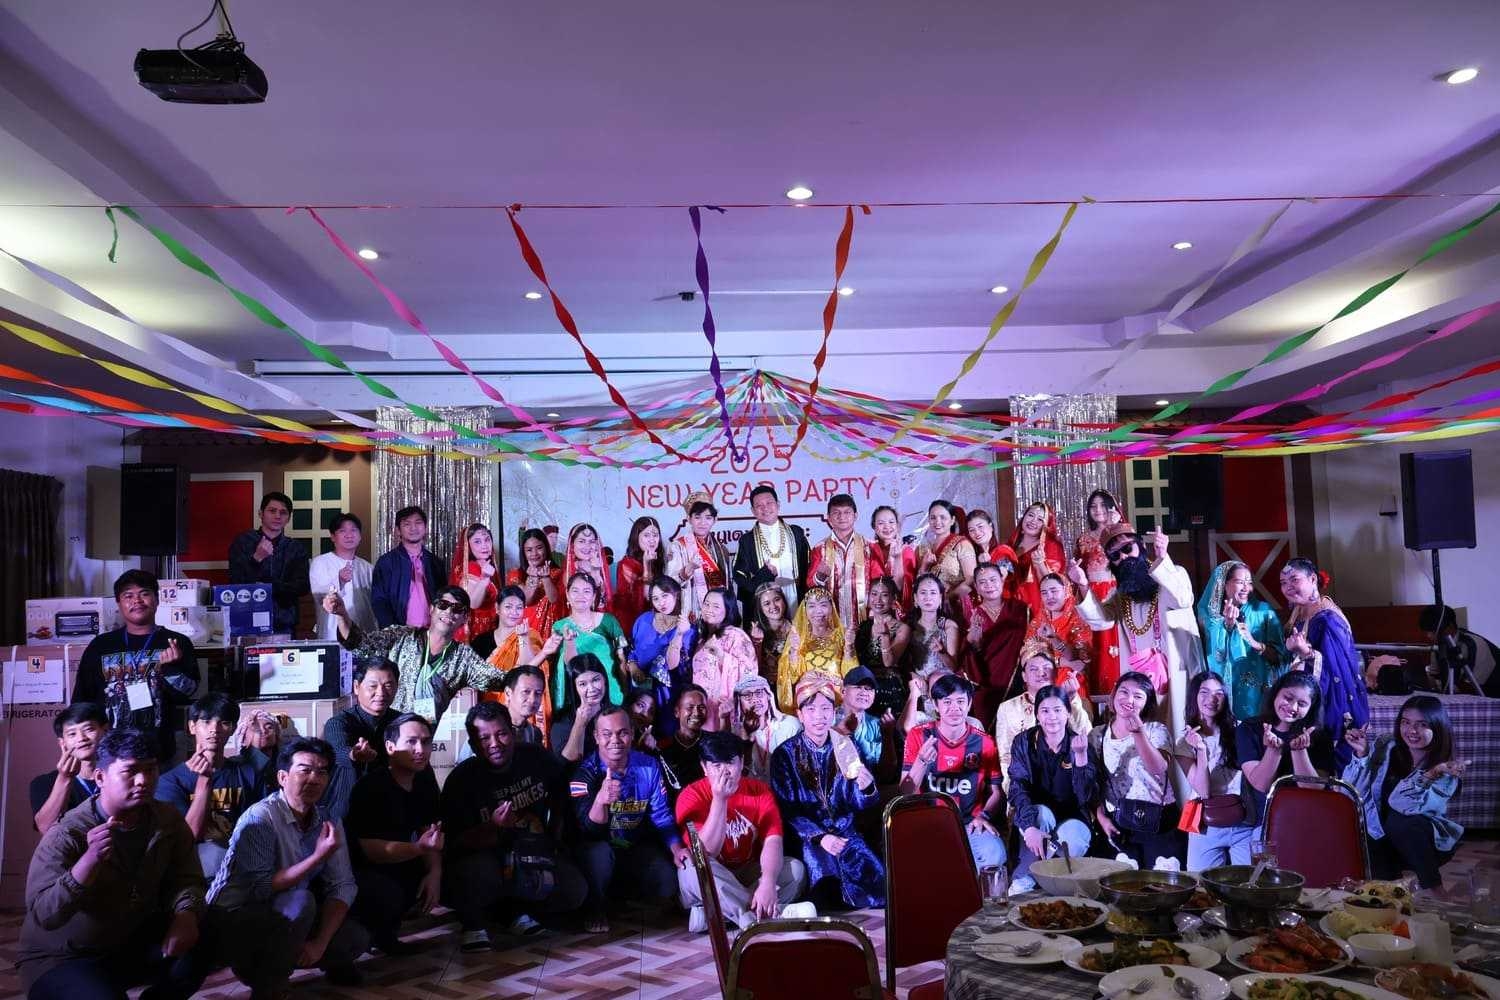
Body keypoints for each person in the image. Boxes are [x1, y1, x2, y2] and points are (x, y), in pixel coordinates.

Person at [18, 728, 206, 1000]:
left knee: (209, 930)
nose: (143, 781)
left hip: (124, 944)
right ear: (100, 777)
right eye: (130, 771)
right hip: (62, 957)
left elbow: (186, 879)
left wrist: (186, 914)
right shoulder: (68, 833)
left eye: (150, 770)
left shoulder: (167, 820)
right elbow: (44, 915)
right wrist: (88, 862)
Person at [204, 737, 367, 991]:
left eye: (322, 772)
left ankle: (285, 963)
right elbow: (261, 888)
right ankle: (268, 985)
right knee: (301, 902)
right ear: (282, 777)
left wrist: (320, 943)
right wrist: (317, 857)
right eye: (305, 770)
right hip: (233, 915)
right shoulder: (261, 817)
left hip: (283, 912)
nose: (314, 779)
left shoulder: (328, 820)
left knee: (354, 937)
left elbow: (343, 884)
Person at [441, 702, 587, 950]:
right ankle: (476, 920)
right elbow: (455, 844)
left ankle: (515, 911)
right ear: (473, 744)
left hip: (531, 852)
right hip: (483, 858)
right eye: (484, 738)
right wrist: (493, 827)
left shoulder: (536, 757)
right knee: (480, 873)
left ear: (513, 732)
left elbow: (562, 798)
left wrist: (556, 840)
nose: (494, 744)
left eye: (501, 734)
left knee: (574, 891)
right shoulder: (461, 780)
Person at [1068, 523, 1203, 778]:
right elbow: (1100, 620)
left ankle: (1188, 799)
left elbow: (1183, 598)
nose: (1123, 558)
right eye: (1115, 556)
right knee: (1148, 740)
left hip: (1178, 678)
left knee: (1181, 738)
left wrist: (1162, 557)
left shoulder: (1172, 574)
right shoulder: (1122, 595)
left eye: (1127, 549)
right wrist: (1083, 584)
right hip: (1142, 686)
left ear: (1141, 546)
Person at [677, 731, 812, 932]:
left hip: (747, 870)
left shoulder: (759, 790)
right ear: (704, 768)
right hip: (713, 871)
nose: (724, 772)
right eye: (716, 766)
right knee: (693, 868)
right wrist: (720, 799)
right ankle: (756, 919)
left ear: (741, 763)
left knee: (795, 870)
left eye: (730, 763)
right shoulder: (691, 795)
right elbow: (707, 852)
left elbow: (773, 840)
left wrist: (767, 882)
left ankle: (713, 916)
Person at [570, 707, 689, 934]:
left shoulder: (648, 765)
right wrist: (601, 800)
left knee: (666, 882)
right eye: (607, 734)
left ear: (632, 733)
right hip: (597, 851)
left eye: (622, 732)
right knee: (598, 854)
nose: (615, 740)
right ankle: (595, 906)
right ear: (596, 737)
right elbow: (588, 830)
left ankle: (622, 898)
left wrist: (676, 849)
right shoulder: (585, 772)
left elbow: (661, 815)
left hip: (633, 847)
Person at [769, 675, 884, 909]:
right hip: (808, 838)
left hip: (846, 833)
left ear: (833, 712)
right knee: (825, 888)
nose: (819, 716)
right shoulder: (785, 754)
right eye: (811, 709)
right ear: (800, 715)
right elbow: (788, 810)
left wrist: (866, 788)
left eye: (825, 709)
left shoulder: (845, 745)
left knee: (880, 884)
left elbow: (857, 802)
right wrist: (821, 837)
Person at [327, 584, 506, 732]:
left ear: (465, 618)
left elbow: (499, 680)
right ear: (432, 609)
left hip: (421, 739)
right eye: (443, 605)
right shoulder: (401, 635)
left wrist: (520, 645)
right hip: (385, 732)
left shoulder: (464, 658)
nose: (449, 612)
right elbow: (361, 645)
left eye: (457, 609)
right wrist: (342, 614)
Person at [72, 569, 199, 763]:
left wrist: (169, 670)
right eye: (128, 596)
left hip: (158, 751)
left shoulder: (176, 642)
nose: (137, 601)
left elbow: (188, 693)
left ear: (157, 600)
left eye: (144, 594)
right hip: (107, 752)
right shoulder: (101, 645)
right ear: (119, 603)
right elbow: (82, 699)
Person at [344, 713, 443, 955]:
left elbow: (429, 831)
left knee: (434, 870)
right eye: (411, 742)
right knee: (387, 889)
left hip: (401, 858)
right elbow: (370, 850)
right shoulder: (371, 787)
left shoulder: (424, 780)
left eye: (426, 742)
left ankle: (386, 932)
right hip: (360, 870)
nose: (420, 750)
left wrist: (435, 872)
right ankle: (366, 933)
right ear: (390, 747)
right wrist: (418, 849)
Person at [1342, 695, 1465, 888]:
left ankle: (1434, 887)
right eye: (1406, 722)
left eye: (1422, 724)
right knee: (1365, 829)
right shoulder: (1387, 747)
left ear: (1438, 727)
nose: (1412, 731)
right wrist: (1362, 754)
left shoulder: (1445, 771)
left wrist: (1431, 774)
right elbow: (1350, 792)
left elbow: (1401, 804)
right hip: (1379, 837)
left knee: (1399, 822)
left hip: (1420, 842)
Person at [900, 674, 1007, 870]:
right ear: (935, 705)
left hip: (969, 823)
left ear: (969, 703)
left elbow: (996, 792)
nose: (954, 708)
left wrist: (984, 816)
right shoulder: (918, 735)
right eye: (947, 702)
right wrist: (921, 762)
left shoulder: (985, 742)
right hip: (926, 822)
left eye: (960, 701)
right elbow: (905, 792)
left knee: (995, 855)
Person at [156, 694, 269, 877]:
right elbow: (188, 838)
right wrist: (205, 780)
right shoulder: (169, 782)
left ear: (233, 729)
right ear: (192, 726)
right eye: (206, 721)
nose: (214, 729)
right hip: (192, 869)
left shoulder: (248, 774)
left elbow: (263, 827)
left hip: (244, 862)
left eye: (223, 723)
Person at [1007, 684, 1098, 894]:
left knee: (1072, 839)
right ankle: (1025, 878)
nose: (1052, 717)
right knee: (1042, 815)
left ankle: (1055, 882)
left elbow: (1085, 797)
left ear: (1068, 713)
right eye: (1045, 711)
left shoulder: (1080, 743)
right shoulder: (1023, 742)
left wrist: (1081, 758)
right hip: (1037, 814)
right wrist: (1029, 826)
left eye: (1058, 710)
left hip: (1073, 816)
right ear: (1037, 714)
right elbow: (1018, 786)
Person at [1280, 558, 1371, 766]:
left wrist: (1305, 652)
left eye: (1294, 579)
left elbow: (1336, 669)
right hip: (1302, 696)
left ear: (1313, 579)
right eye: (1283, 582)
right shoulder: (1300, 611)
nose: (1288, 587)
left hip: (1329, 699)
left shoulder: (1328, 618)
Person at [1089, 671, 1184, 869]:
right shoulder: (1097, 735)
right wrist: (1101, 817)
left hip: (1158, 821)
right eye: (1124, 692)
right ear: (1114, 695)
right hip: (1119, 823)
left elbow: (1158, 768)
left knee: (1161, 882)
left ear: (1147, 703)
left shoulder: (1155, 730)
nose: (1129, 700)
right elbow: (1093, 783)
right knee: (1123, 882)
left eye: (1138, 696)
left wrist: (1139, 734)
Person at [1171, 672, 1255, 870]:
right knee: (1201, 882)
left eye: (1219, 693)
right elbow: (1203, 791)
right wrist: (1201, 751)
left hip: (1243, 820)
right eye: (1204, 692)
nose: (1212, 699)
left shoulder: (1241, 730)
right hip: (1204, 822)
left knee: (1249, 881)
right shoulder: (1184, 742)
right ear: (1194, 696)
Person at [1237, 671, 1336, 838]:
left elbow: (1314, 788)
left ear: (1311, 708)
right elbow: (1261, 785)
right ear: (1276, 693)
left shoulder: (1320, 736)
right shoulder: (1249, 729)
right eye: (1288, 698)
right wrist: (1273, 750)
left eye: (1302, 704)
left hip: (1308, 821)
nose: (1293, 707)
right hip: (1264, 823)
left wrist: (1299, 751)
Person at [995, 645, 1094, 794]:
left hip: (1067, 785)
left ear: (1056, 672)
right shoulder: (1008, 708)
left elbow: (1085, 739)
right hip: (1025, 787)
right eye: (1033, 669)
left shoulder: (1075, 702)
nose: (1041, 673)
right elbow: (1006, 756)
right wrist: (1015, 793)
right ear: (1024, 676)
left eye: (1047, 668)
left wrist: (1071, 699)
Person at [1198, 560, 1287, 719]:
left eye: (1249, 583)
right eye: (1240, 582)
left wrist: (1255, 644)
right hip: (1221, 695)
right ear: (1223, 584)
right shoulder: (1210, 618)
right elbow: (1214, 656)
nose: (1247, 588)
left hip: (1257, 696)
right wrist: (1227, 626)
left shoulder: (1263, 612)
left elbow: (1280, 657)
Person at [321, 659, 399, 821]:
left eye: (388, 685)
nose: (381, 693)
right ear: (357, 687)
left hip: (393, 808)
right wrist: (354, 755)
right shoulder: (339, 723)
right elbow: (338, 752)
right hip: (347, 811)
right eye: (373, 686)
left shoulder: (403, 722)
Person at [227, 491, 310, 636]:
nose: (278, 516)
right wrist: (257, 558)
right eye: (272, 511)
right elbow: (236, 581)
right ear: (261, 513)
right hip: (246, 620)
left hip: (284, 622)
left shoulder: (295, 548)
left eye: (283, 512)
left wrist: (268, 585)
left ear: (288, 518)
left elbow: (302, 586)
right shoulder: (243, 542)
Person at [962, 560, 1030, 722]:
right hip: (985, 682)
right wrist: (974, 641)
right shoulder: (971, 615)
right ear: (976, 587)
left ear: (1002, 580)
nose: (989, 585)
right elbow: (966, 656)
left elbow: (1032, 641)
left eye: (993, 580)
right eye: (982, 582)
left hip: (1018, 680)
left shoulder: (1021, 609)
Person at [483, 586, 560, 728]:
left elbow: (527, 671)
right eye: (508, 607)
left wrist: (523, 639)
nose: (514, 612)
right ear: (497, 608)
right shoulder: (482, 641)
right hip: (492, 708)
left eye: (519, 608)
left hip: (524, 707)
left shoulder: (531, 636)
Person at [733, 485, 810, 621]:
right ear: (753, 511)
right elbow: (740, 577)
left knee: (797, 631)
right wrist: (764, 575)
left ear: (778, 505)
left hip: (794, 593)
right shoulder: (747, 540)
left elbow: (809, 566)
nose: (765, 508)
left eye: (769, 503)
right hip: (766, 600)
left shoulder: (796, 533)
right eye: (759, 505)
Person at [626, 576, 695, 728]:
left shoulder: (687, 629)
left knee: (665, 731)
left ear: (676, 594)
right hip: (640, 691)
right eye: (655, 598)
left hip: (668, 694)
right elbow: (631, 651)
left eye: (665, 596)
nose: (661, 603)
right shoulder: (643, 620)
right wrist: (633, 666)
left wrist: (679, 633)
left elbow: (676, 666)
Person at [551, 572, 628, 707]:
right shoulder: (559, 627)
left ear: (593, 596)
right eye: (575, 591)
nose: (580, 596)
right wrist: (569, 642)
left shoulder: (608, 621)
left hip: (608, 689)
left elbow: (621, 659)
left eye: (586, 591)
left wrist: (625, 689)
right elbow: (567, 665)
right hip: (576, 694)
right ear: (567, 595)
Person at [1076, 489, 1126, 694]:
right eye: (1093, 506)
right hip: (1091, 593)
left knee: (1114, 643)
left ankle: (1118, 690)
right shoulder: (1084, 539)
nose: (1098, 510)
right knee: (1094, 643)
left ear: (1113, 508)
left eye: (1103, 505)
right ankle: (1097, 694)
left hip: (1114, 592)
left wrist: (1114, 529)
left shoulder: (1122, 532)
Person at [31, 702, 107, 834]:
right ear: (62, 743)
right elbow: (46, 829)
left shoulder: (121, 775)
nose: (81, 738)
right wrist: (65, 778)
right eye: (72, 734)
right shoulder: (44, 783)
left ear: (105, 731)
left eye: (89, 729)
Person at [777, 586, 856, 712]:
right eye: (812, 606)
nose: (818, 611)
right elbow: (793, 677)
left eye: (823, 605)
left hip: (837, 698)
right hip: (809, 699)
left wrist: (849, 646)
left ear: (832, 607)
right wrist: (794, 651)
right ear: (805, 609)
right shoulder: (798, 637)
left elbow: (851, 675)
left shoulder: (841, 635)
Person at [806, 493, 876, 630]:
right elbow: (810, 585)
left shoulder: (870, 547)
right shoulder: (820, 549)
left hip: (865, 620)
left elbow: (878, 582)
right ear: (828, 518)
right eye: (836, 513)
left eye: (847, 512)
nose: (842, 517)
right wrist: (819, 577)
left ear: (855, 516)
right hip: (831, 622)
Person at [692, 587, 759, 731]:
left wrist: (722, 656)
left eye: (716, 606)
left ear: (728, 610)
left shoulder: (736, 635)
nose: (709, 609)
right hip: (702, 708)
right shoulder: (701, 638)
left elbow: (749, 673)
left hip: (723, 709)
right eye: (706, 604)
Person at [370, 505, 447, 629]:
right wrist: (393, 631)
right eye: (407, 524)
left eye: (418, 523)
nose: (413, 528)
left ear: (425, 528)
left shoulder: (435, 562)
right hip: (401, 632)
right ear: (398, 530)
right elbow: (379, 601)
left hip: (433, 631)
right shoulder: (386, 562)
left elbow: (444, 598)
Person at [667, 494, 734, 625]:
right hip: (690, 612)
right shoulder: (678, 546)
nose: (703, 523)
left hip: (718, 615)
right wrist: (686, 572)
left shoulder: (722, 550)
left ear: (715, 520)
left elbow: (728, 585)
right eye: (697, 517)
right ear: (689, 519)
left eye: (708, 518)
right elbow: (669, 585)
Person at [1026, 572, 1092, 703]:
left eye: (1054, 591)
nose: (1049, 596)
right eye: (1044, 593)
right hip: (1042, 679)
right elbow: (1029, 658)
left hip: (1071, 680)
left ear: (1066, 590)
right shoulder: (1037, 622)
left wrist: (1053, 638)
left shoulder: (1079, 619)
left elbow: (1079, 659)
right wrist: (1065, 663)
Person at [309, 512, 376, 642]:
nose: (349, 535)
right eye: (342, 531)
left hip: (364, 633)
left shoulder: (367, 568)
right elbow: (319, 595)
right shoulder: (320, 562)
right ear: (333, 536)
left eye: (353, 530)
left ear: (360, 536)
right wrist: (339, 580)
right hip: (332, 633)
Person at [852, 576, 911, 719]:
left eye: (884, 595)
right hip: (865, 687)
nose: (878, 600)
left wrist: (885, 636)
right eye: (874, 594)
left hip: (889, 686)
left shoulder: (902, 628)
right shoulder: (863, 627)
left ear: (893, 599)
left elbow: (889, 662)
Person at [1420, 603, 1499, 696]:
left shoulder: (1473, 645)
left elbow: (1472, 688)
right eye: (1427, 632)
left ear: (1450, 626)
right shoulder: (1439, 646)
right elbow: (1435, 680)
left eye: (1433, 631)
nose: (1429, 636)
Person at [914, 500, 977, 612]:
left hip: (954, 606)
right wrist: (924, 567)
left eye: (943, 517)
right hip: (928, 608)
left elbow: (971, 579)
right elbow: (917, 585)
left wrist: (948, 597)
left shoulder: (962, 544)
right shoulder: (922, 549)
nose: (937, 522)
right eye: (933, 518)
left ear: (952, 520)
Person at [550, 654, 615, 763]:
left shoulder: (617, 713)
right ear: (574, 688)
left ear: (604, 680)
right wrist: (580, 724)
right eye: (583, 684)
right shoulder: (562, 721)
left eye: (596, 680)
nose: (591, 689)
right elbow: (566, 764)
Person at [734, 675, 801, 780]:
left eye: (759, 693)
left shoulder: (790, 725)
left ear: (768, 696)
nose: (755, 700)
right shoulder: (735, 732)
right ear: (739, 701)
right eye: (747, 695)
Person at [901, 573, 959, 688]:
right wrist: (914, 677)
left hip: (943, 684)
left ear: (940, 598)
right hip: (917, 684)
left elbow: (953, 668)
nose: (928, 597)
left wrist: (942, 652)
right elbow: (904, 665)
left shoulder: (948, 626)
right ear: (916, 598)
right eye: (923, 593)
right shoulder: (908, 627)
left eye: (933, 593)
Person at [1010, 500, 1066, 619]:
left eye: (1040, 519)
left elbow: (1053, 584)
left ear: (1046, 525)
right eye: (1031, 515)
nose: (1033, 521)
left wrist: (1040, 564)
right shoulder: (1012, 545)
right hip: (1010, 605)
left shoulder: (1051, 547)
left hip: (1035, 608)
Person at [507, 527, 564, 638]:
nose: (534, 553)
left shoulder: (558, 573)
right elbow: (526, 601)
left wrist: (546, 578)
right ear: (523, 552)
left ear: (546, 548)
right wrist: (533, 577)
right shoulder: (515, 575)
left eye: (539, 548)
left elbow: (554, 600)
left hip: (551, 633)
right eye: (529, 550)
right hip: (525, 632)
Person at [613, 515, 665, 635]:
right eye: (646, 535)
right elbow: (645, 598)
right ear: (636, 538)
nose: (652, 540)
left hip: (656, 619)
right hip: (633, 622)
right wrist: (647, 566)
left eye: (655, 535)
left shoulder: (659, 560)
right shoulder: (627, 564)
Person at [451, 523, 501, 645]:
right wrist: (484, 580)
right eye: (477, 542)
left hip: (489, 628)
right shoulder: (470, 569)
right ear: (468, 546)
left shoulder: (486, 566)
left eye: (487, 540)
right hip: (475, 632)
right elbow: (473, 603)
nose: (484, 545)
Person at [660, 684, 710, 800]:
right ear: (677, 712)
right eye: (690, 707)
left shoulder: (712, 743)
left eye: (701, 707)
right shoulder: (663, 746)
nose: (696, 713)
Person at [836, 667, 891, 774]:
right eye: (858, 687)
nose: (864, 692)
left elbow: (885, 772)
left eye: (869, 689)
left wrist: (888, 737)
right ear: (843, 691)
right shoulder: (827, 718)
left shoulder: (877, 724)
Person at [869, 504, 916, 608]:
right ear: (874, 527)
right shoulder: (868, 550)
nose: (887, 527)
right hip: (873, 610)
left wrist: (897, 558)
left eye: (891, 522)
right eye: (881, 523)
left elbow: (903, 589)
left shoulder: (907, 551)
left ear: (897, 525)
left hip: (899, 610)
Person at [749, 581, 794, 687]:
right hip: (767, 688)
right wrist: (757, 643)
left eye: (777, 599)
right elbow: (751, 670)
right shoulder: (754, 633)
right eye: (767, 603)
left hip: (792, 685)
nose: (773, 606)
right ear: (760, 608)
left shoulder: (797, 628)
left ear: (784, 601)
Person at [563, 523, 613, 611]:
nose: (587, 546)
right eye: (581, 541)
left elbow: (604, 600)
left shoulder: (600, 566)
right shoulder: (570, 571)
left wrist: (596, 570)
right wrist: (595, 572)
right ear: (572, 545)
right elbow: (585, 604)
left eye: (592, 541)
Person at [498, 662, 550, 746]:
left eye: (538, 693)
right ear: (508, 693)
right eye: (526, 692)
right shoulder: (491, 728)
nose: (532, 700)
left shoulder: (535, 734)